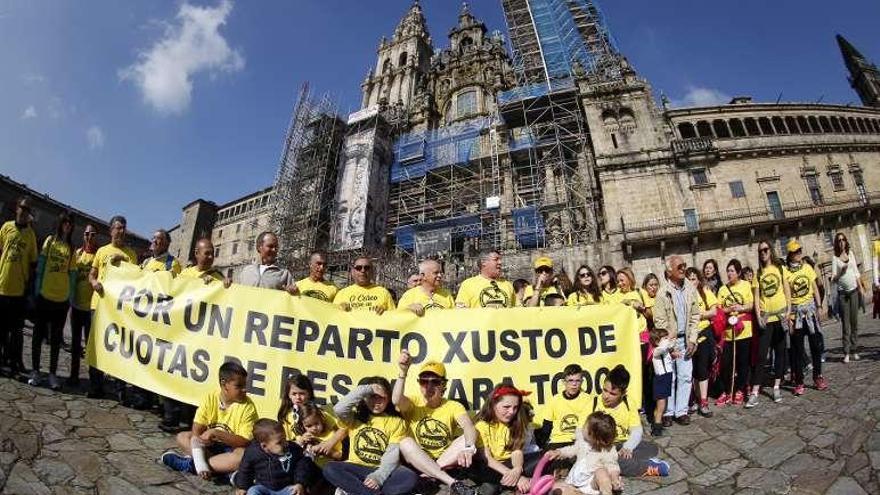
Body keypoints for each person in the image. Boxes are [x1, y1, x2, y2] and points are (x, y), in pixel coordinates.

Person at [392, 352, 478, 495]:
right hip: (416, 458)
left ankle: (430, 474)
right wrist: (402, 372)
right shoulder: (414, 402)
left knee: (471, 436)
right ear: (419, 384)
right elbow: (395, 400)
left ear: (443, 385)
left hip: (444, 459)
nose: (429, 386)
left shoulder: (453, 406)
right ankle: (447, 480)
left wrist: (469, 448)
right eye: (424, 381)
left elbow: (468, 426)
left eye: (435, 382)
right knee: (404, 442)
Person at [161, 362, 258, 479]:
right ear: (224, 384)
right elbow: (196, 430)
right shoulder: (211, 397)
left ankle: (191, 465)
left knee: (242, 456)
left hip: (232, 449)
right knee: (183, 437)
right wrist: (203, 439)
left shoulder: (248, 406)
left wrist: (217, 433)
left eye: (245, 386)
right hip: (210, 446)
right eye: (239, 386)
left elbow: (244, 442)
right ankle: (222, 469)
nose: (244, 390)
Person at [323, 377, 417, 495]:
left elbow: (391, 455)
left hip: (382, 469)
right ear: (365, 397)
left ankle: (357, 490)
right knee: (329, 468)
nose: (376, 401)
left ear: (388, 398)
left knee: (409, 477)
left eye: (381, 397)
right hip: (355, 467)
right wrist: (367, 389)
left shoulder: (396, 421)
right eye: (372, 396)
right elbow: (339, 409)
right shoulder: (355, 417)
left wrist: (378, 477)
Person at [88, 215, 138, 398]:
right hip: (99, 306)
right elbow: (92, 275)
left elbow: (137, 281)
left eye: (124, 227)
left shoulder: (131, 255)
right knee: (95, 347)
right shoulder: (102, 251)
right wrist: (94, 283)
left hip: (120, 311)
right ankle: (95, 386)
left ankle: (120, 390)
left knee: (119, 348)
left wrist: (123, 261)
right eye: (118, 227)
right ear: (111, 231)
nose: (122, 231)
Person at [590, 365, 668, 477]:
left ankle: (621, 461)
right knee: (603, 458)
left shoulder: (628, 402)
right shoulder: (594, 402)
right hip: (603, 446)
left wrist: (628, 447)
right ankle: (647, 467)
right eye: (605, 390)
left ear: (623, 393)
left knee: (652, 448)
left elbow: (636, 430)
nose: (606, 396)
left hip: (622, 444)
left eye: (612, 394)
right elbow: (582, 431)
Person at [652, 255, 700, 426]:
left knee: (686, 376)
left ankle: (681, 411)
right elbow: (660, 322)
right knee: (670, 378)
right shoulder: (662, 293)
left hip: (686, 339)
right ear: (669, 270)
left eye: (684, 266)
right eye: (679, 266)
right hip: (670, 341)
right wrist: (668, 345)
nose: (683, 269)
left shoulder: (690, 289)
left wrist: (693, 340)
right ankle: (668, 412)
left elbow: (695, 316)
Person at [29, 211, 74, 390]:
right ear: (60, 223)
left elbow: (72, 275)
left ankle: (53, 374)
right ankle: (35, 371)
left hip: (61, 300)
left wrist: (69, 297)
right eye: (65, 222)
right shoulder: (50, 241)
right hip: (44, 296)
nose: (68, 225)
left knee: (55, 339)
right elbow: (41, 266)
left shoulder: (71, 248)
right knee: (37, 336)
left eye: (71, 223)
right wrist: (37, 290)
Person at [469, 384, 540, 494]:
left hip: (509, 464)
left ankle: (507, 485)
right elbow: (488, 459)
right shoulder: (481, 426)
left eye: (515, 407)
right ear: (493, 404)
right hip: (489, 466)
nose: (512, 411)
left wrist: (517, 469)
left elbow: (517, 451)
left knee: (544, 457)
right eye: (506, 407)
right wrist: (518, 477)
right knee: (490, 488)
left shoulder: (515, 423)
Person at [750, 240, 791, 407]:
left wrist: (788, 310)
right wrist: (759, 316)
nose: (763, 253)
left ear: (770, 251)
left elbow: (787, 289)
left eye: (765, 250)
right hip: (767, 319)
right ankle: (754, 391)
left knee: (780, 353)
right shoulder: (758, 273)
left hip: (780, 317)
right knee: (761, 355)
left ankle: (776, 386)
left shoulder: (780, 268)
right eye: (760, 251)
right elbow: (757, 297)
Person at [0, 197, 38, 377]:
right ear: (17, 208)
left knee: (16, 332)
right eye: (22, 207)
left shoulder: (30, 235)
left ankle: (16, 364)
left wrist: (28, 288)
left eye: (28, 209)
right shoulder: (6, 227)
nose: (24, 211)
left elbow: (33, 263)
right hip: (2, 286)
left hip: (18, 291)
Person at [785, 240, 828, 393]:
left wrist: (819, 306)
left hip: (810, 311)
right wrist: (789, 316)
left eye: (799, 250)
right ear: (790, 255)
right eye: (796, 252)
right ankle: (799, 382)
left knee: (816, 346)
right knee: (797, 349)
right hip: (796, 314)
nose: (799, 253)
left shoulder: (807, 267)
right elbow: (788, 295)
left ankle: (818, 376)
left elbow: (815, 288)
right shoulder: (786, 272)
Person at [233, 418, 318, 495]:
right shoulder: (253, 452)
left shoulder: (293, 449)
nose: (285, 443)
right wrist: (243, 487)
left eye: (285, 438)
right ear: (264, 446)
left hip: (287, 487)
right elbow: (245, 470)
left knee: (296, 492)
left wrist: (300, 484)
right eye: (279, 442)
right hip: (264, 487)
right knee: (253, 491)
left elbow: (303, 466)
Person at [548, 412, 622, 495]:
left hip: (592, 484)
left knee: (601, 472)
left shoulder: (607, 450)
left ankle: (606, 492)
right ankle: (576, 493)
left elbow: (613, 466)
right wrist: (558, 452)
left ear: (592, 434)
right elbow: (571, 450)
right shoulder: (582, 442)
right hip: (575, 482)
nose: (582, 427)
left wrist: (614, 478)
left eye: (585, 426)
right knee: (555, 487)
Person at [716, 259, 754, 406]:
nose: (729, 274)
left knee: (743, 362)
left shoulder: (745, 285)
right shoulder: (722, 290)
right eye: (728, 271)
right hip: (728, 332)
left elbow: (751, 305)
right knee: (726, 363)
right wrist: (728, 309)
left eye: (732, 271)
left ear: (738, 273)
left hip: (744, 329)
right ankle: (727, 389)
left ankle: (739, 389)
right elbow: (719, 310)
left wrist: (740, 308)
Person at [535, 364, 593, 453]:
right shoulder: (554, 400)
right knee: (558, 465)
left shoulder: (589, 399)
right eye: (570, 380)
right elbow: (547, 427)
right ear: (564, 382)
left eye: (578, 381)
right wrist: (543, 447)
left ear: (582, 381)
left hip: (579, 441)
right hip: (558, 442)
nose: (574, 384)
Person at [68, 224, 98, 387]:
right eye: (87, 234)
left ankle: (94, 379)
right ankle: (74, 375)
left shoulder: (97, 256)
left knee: (90, 345)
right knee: (75, 343)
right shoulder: (78, 253)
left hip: (90, 309)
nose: (89, 237)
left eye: (92, 234)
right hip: (76, 306)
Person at [685, 267, 717, 417]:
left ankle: (704, 401)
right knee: (693, 371)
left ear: (698, 279)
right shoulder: (682, 295)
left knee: (702, 369)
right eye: (689, 278)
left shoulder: (704, 291)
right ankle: (697, 399)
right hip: (689, 336)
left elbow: (714, 311)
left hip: (703, 334)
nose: (691, 281)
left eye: (694, 278)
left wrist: (700, 315)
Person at [832, 232, 867, 362]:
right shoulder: (835, 258)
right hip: (843, 295)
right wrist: (842, 271)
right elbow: (833, 279)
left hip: (853, 292)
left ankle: (855, 350)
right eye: (839, 240)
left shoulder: (851, 254)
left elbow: (856, 273)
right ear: (837, 243)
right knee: (846, 325)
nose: (841, 242)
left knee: (855, 323)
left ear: (846, 242)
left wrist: (861, 288)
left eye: (843, 240)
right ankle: (846, 352)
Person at [294, 402, 346, 468]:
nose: (314, 428)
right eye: (309, 426)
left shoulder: (330, 431)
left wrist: (328, 450)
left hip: (338, 463)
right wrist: (302, 441)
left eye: (316, 424)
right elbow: (294, 448)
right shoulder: (305, 437)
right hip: (318, 469)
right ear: (303, 426)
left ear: (321, 419)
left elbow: (343, 428)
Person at [649, 328, 676, 437]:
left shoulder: (664, 349)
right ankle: (657, 426)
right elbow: (664, 347)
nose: (667, 340)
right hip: (661, 378)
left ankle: (657, 422)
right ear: (656, 341)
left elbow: (668, 348)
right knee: (661, 404)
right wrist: (669, 338)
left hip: (667, 377)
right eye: (664, 338)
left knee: (662, 403)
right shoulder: (656, 351)